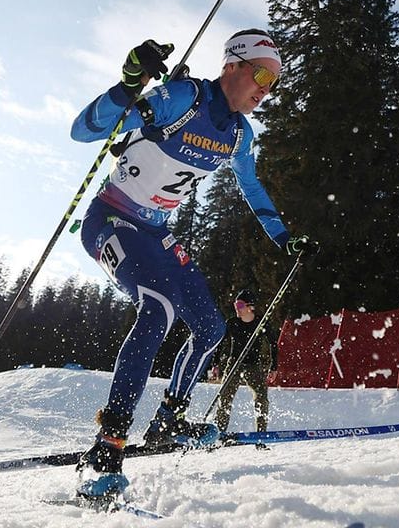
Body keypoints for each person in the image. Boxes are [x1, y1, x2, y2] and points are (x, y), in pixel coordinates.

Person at [69, 29, 311, 498]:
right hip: (111, 220)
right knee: (157, 308)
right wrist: (129, 86)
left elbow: (252, 189)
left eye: (275, 82)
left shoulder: (240, 134)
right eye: (262, 74)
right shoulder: (184, 97)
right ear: (233, 65)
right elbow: (84, 131)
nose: (266, 87)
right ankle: (109, 443)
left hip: (156, 233)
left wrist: (284, 237)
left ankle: (168, 419)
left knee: (210, 327)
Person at [213, 289, 276, 439]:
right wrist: (216, 364)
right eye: (235, 304)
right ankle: (217, 434)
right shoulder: (232, 323)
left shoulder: (261, 323)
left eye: (240, 305)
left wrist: (274, 367)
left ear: (250, 307)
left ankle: (261, 434)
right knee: (224, 397)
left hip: (254, 365)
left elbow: (273, 344)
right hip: (234, 364)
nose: (237, 308)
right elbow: (221, 344)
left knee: (261, 398)